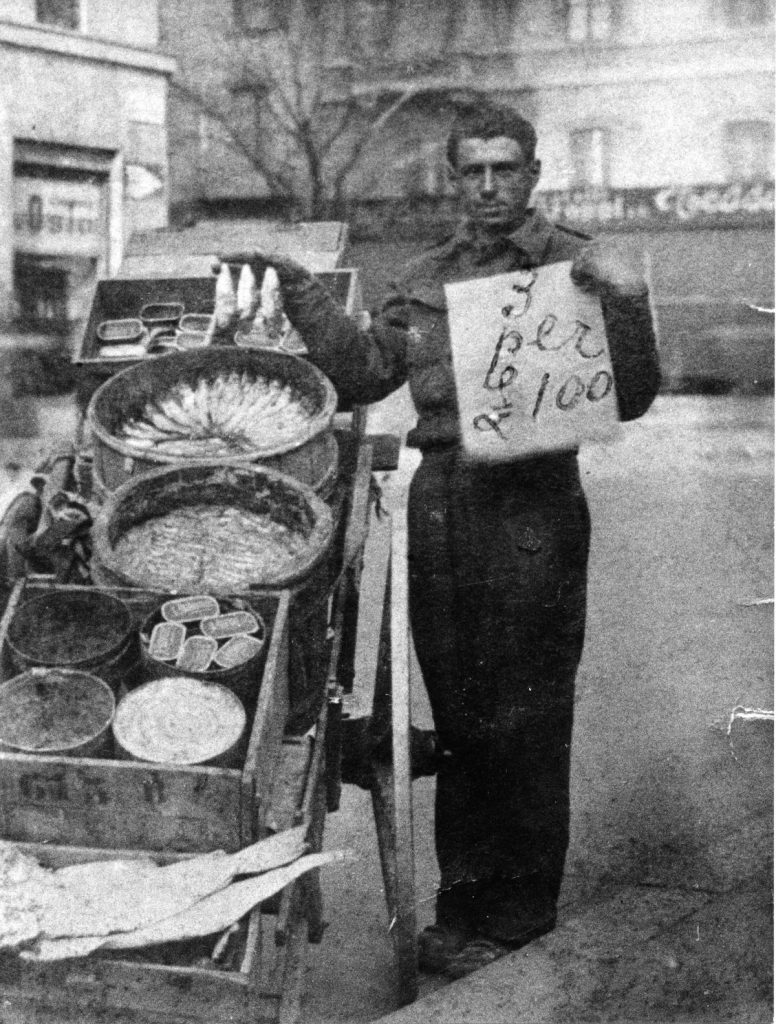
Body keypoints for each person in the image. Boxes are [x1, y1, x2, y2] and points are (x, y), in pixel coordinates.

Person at [250, 100, 660, 979]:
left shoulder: (576, 263)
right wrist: (299, 290)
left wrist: (624, 303)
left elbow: (631, 398)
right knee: (462, 714)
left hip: (535, 506)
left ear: (534, 174)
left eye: (504, 169)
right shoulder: (425, 272)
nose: (487, 187)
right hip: (442, 505)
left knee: (529, 716)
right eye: (471, 171)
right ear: (454, 178)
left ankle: (517, 914)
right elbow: (364, 372)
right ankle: (459, 903)